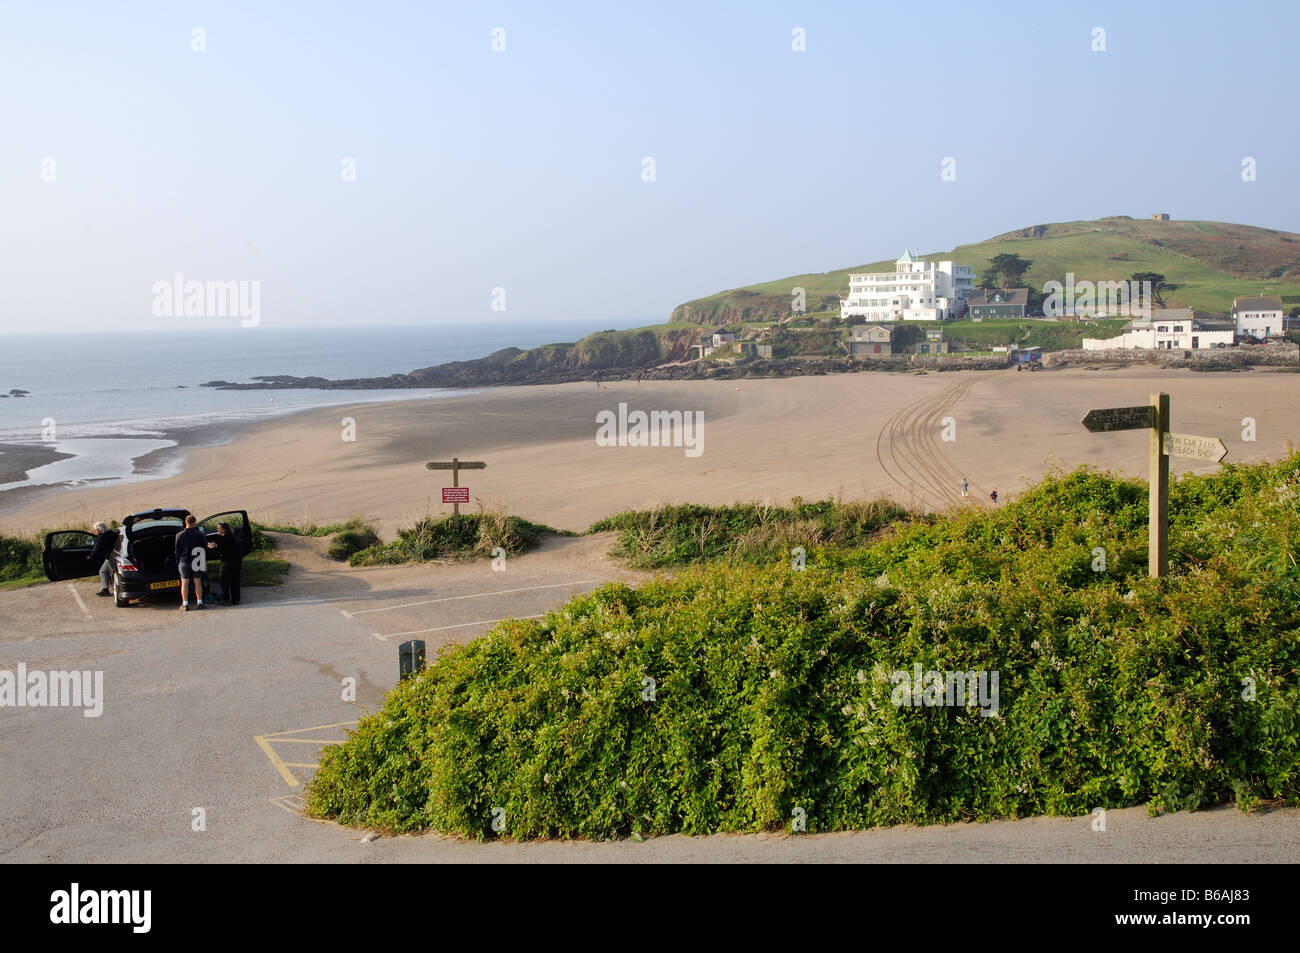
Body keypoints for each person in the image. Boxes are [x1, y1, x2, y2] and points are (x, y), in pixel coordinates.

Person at [206, 522, 248, 605]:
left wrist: (212, 547)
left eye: (219, 528)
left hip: (228, 562)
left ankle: (226, 599)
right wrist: (216, 545)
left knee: (223, 580)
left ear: (224, 529)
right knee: (235, 580)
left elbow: (219, 551)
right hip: (237, 561)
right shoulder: (232, 536)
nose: (217, 530)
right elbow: (225, 547)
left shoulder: (224, 538)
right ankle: (236, 599)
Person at [174, 514, 207, 611]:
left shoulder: (179, 535)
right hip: (196, 561)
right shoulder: (199, 534)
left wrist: (179, 561)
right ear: (194, 522)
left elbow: (177, 551)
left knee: (184, 583)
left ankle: (185, 604)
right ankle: (200, 602)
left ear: (185, 522)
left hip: (184, 561)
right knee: (198, 582)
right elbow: (204, 547)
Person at [90, 521, 118, 597]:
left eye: (95, 530)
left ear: (99, 530)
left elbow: (96, 550)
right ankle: (108, 588)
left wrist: (91, 556)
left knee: (103, 571)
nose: (94, 531)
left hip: (110, 558)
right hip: (116, 556)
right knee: (108, 572)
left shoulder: (101, 538)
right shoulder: (112, 533)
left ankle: (106, 589)